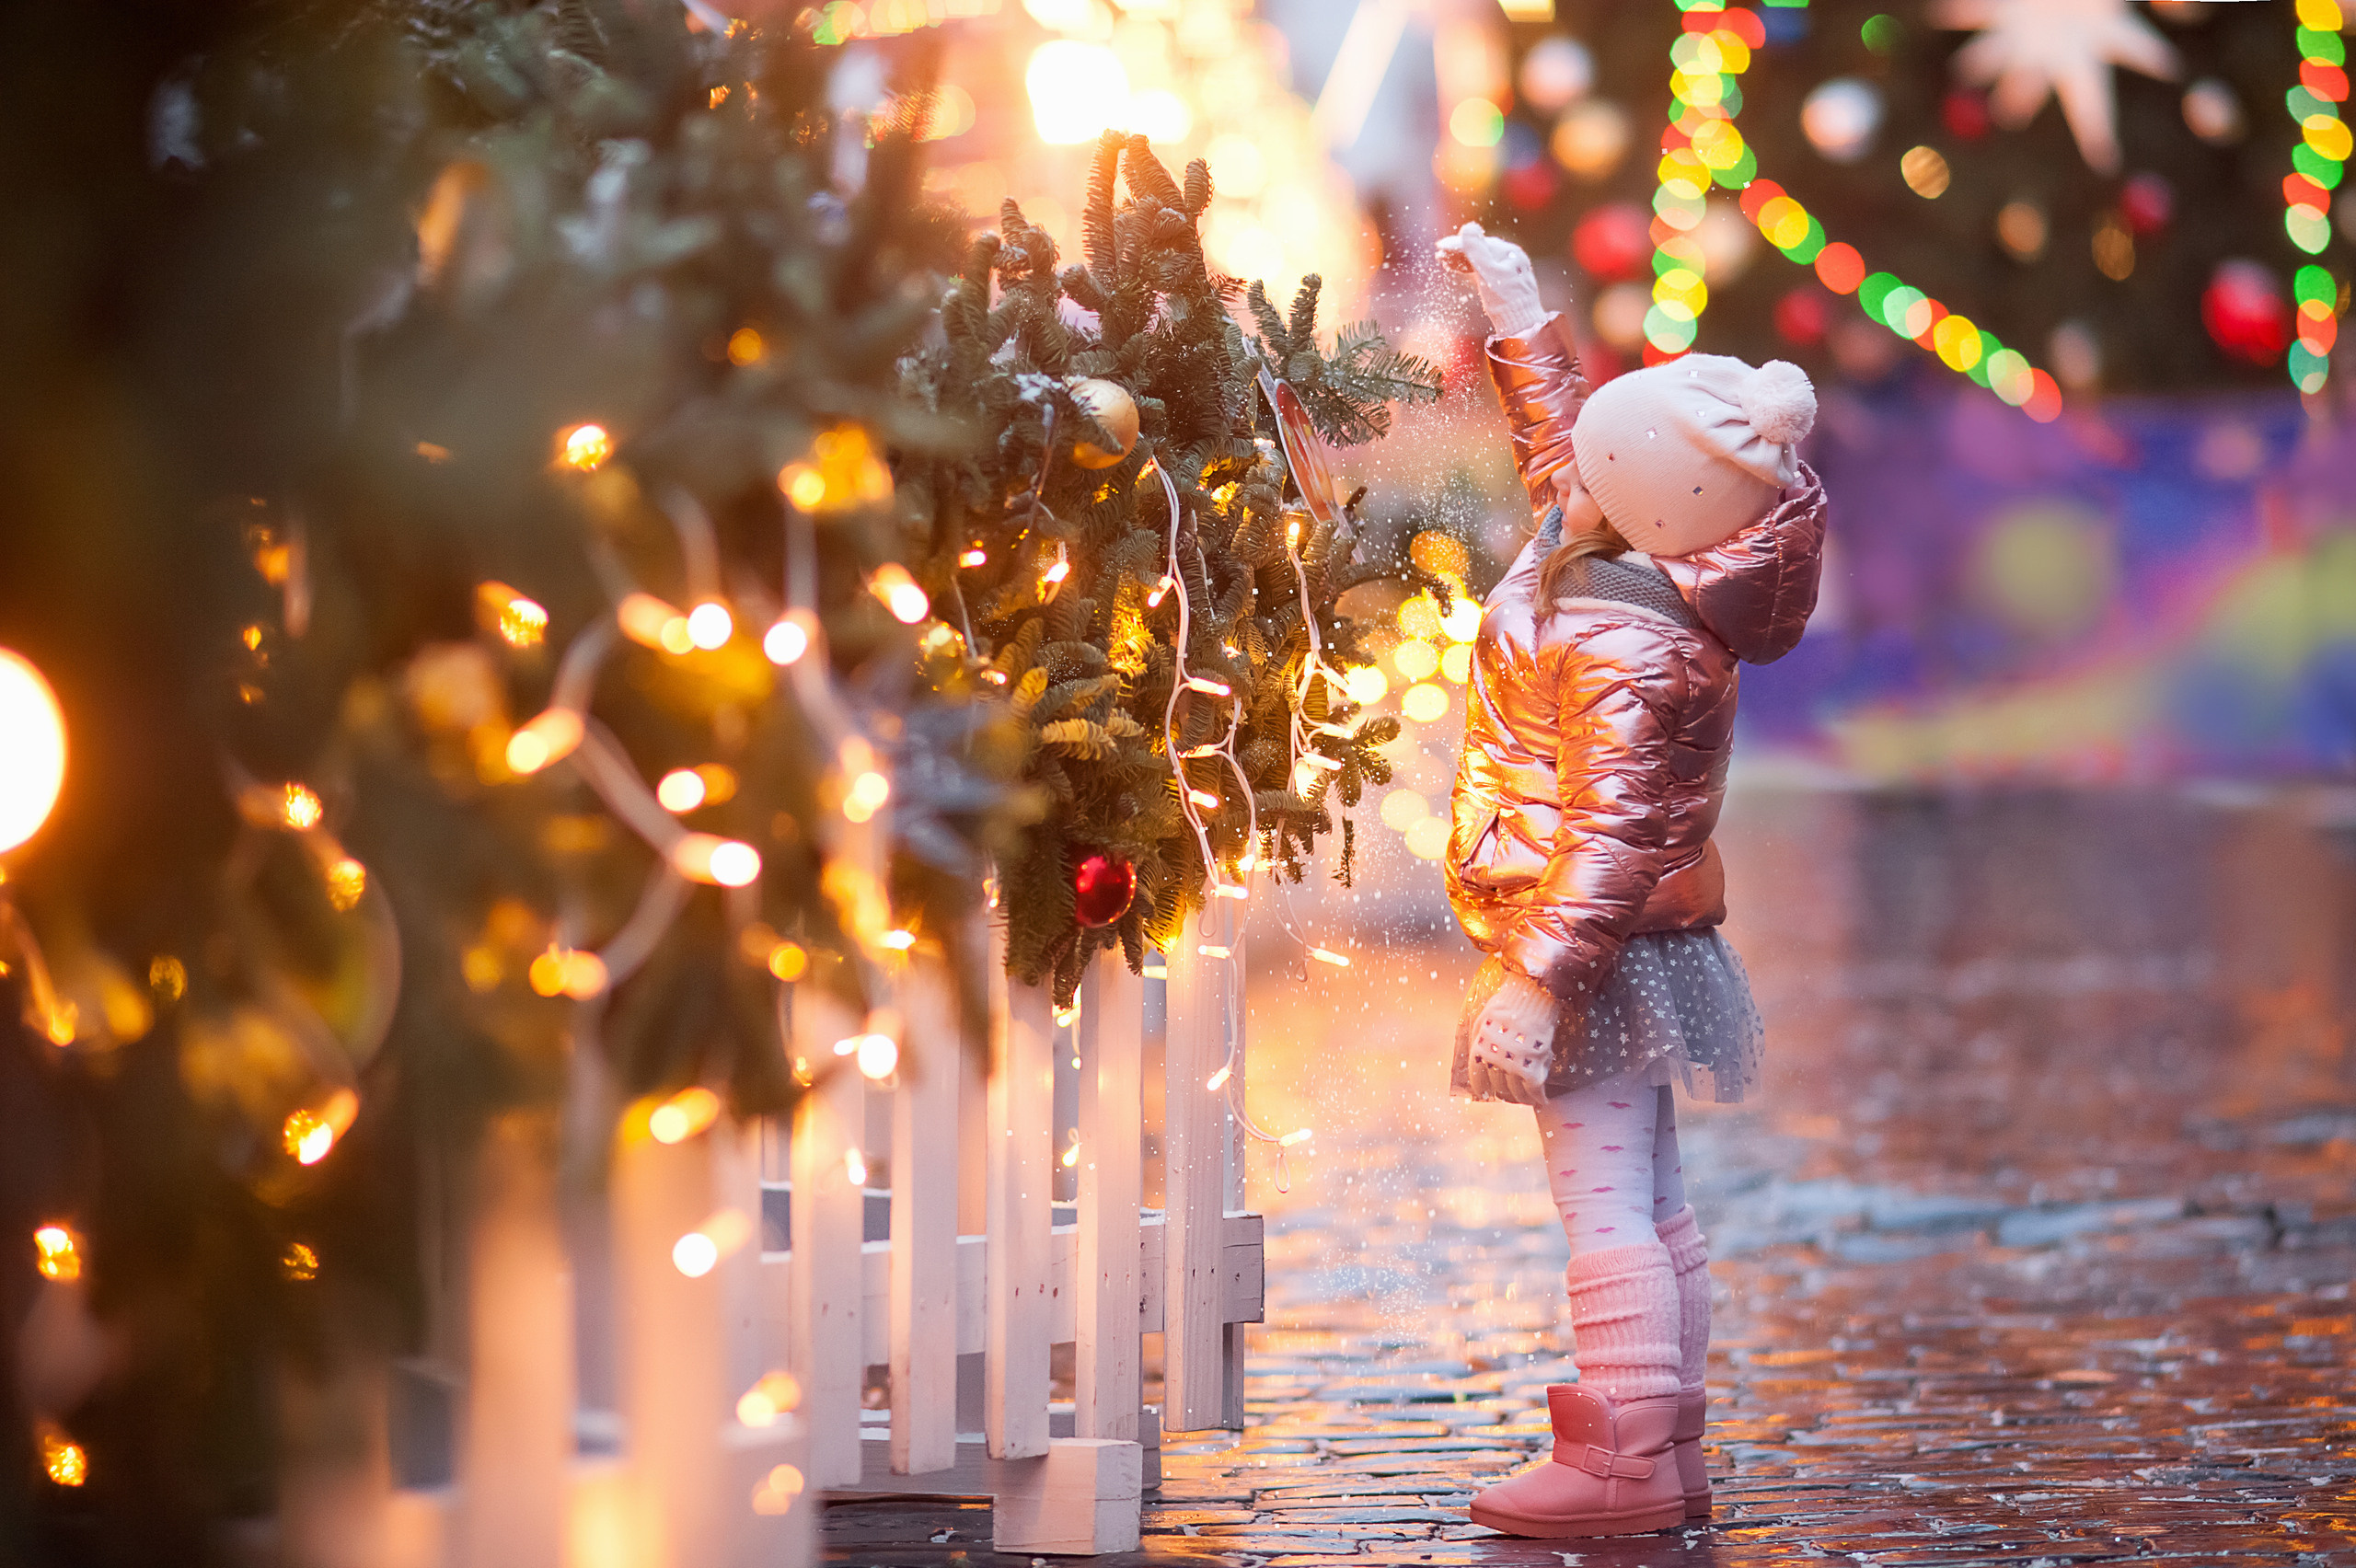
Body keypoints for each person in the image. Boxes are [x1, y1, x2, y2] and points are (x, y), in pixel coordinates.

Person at [1434, 222, 1827, 1539]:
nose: (1572, 470)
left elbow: (1605, 835)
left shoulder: (1618, 635)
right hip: (1641, 937)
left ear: (1640, 499)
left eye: (1603, 457)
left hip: (1590, 939)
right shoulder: (1640, 547)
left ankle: (1621, 1461)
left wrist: (1538, 982)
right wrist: (1519, 321)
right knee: (1653, 1196)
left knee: (1601, 1199)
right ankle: (1671, 1441)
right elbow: (1573, 452)